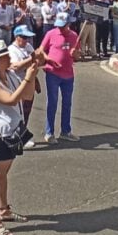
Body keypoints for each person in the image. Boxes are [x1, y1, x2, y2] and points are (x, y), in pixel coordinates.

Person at [0, 39, 39, 235]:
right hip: (0, 135)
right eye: (5, 56)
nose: (9, 58)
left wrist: (31, 76)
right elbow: (11, 100)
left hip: (14, 130)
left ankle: (4, 210)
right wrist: (26, 78)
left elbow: (27, 96)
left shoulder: (9, 75)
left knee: (4, 174)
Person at [39, 13, 79, 144]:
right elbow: (40, 51)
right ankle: (49, 132)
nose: (60, 29)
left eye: (63, 26)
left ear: (69, 24)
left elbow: (78, 56)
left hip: (68, 75)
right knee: (53, 102)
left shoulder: (74, 36)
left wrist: (76, 54)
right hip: (53, 73)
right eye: (59, 26)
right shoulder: (51, 34)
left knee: (67, 103)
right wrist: (48, 59)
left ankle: (65, 131)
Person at [7, 25, 45, 147]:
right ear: (17, 37)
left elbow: (36, 60)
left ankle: (20, 137)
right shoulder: (11, 50)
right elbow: (16, 66)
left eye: (27, 37)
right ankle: (16, 138)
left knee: (26, 112)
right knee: (19, 112)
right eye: (23, 37)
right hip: (17, 83)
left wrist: (38, 58)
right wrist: (32, 58)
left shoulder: (28, 46)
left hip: (30, 82)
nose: (26, 40)